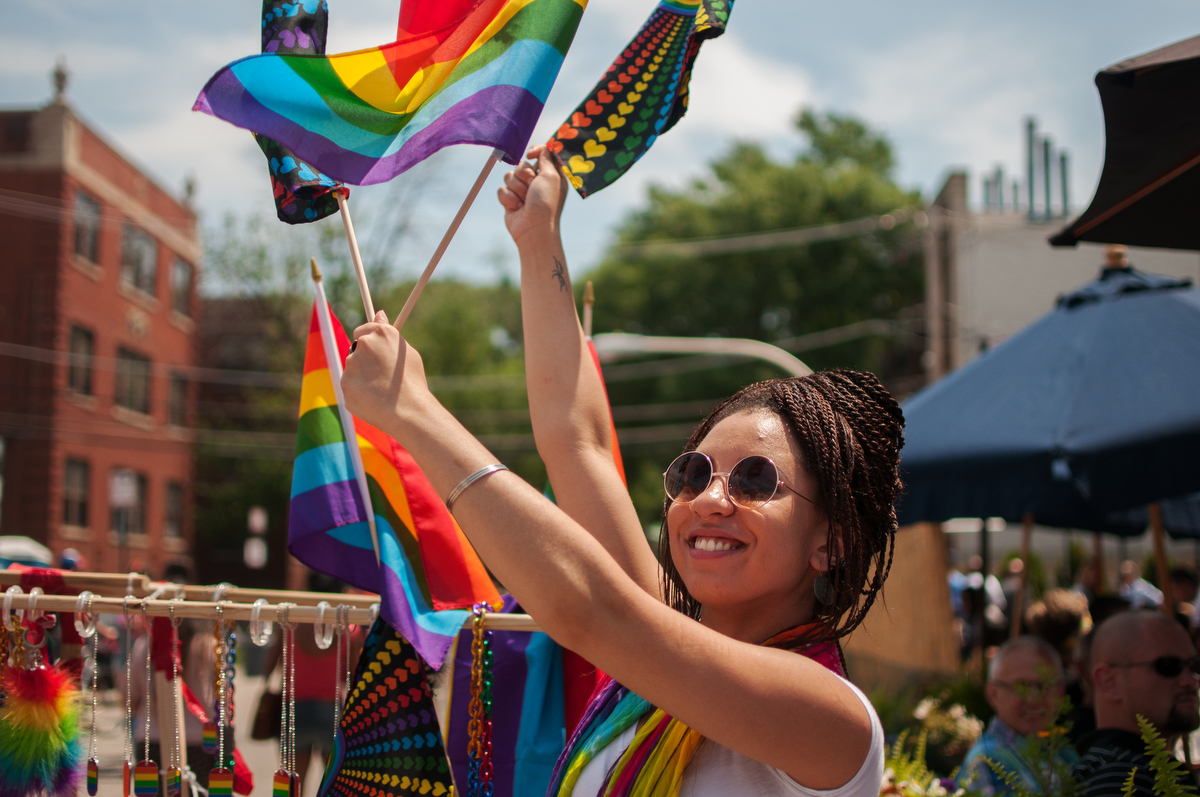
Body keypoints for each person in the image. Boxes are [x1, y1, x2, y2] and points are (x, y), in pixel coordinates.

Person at [341, 145, 900, 796]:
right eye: (693, 473)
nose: (710, 498)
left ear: (828, 539)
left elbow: (593, 611)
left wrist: (414, 413)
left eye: (755, 480)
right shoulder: (658, 646)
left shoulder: (830, 716)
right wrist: (538, 239)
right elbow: (578, 443)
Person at [1073, 610, 1199, 797]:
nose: (1190, 681)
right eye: (1168, 665)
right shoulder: (1119, 781)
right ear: (1109, 682)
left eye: (1195, 665)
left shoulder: (1140, 770)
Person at [957, 637, 1078, 796]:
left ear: (1061, 690)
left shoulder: (1063, 751)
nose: (1034, 699)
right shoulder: (987, 762)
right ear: (993, 694)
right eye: (1021, 687)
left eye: (1044, 686)